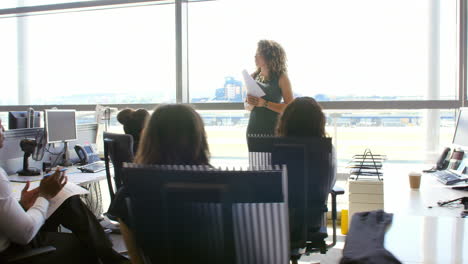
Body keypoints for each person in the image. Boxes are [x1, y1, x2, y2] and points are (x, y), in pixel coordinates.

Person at [0, 118, 126, 264]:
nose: (3, 128)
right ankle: (111, 258)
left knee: (66, 199)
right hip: (9, 252)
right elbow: (25, 233)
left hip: (9, 234)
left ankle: (111, 257)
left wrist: (22, 205)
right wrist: (44, 196)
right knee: (86, 243)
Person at [108, 104, 210, 263]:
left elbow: (137, 259)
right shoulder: (221, 186)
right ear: (199, 137)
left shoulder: (130, 192)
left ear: (148, 138)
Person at [276, 96, 336, 187]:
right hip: (318, 199)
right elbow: (330, 183)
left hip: (288, 199)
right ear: (319, 121)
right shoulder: (327, 148)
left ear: (286, 121)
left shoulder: (280, 148)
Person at [246, 39, 294, 135]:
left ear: (269, 56)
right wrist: (250, 103)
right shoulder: (252, 77)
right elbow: (247, 107)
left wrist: (264, 103)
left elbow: (290, 108)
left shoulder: (282, 78)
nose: (255, 56)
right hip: (253, 129)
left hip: (274, 129)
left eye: (259, 53)